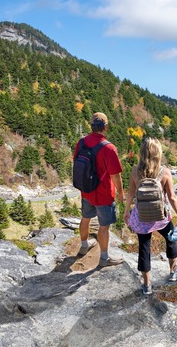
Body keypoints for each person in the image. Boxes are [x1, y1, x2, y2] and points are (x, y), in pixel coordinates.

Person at [123, 137, 177, 295]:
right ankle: (173, 273)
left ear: (142, 153)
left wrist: (126, 211)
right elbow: (172, 197)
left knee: (144, 249)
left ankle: (147, 285)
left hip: (141, 218)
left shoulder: (135, 171)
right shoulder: (164, 172)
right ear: (158, 153)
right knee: (170, 240)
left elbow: (130, 194)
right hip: (161, 217)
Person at [73, 112, 125, 267]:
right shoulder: (109, 148)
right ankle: (104, 258)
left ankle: (84, 246)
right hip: (103, 194)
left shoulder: (81, 142)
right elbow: (115, 175)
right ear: (106, 127)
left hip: (86, 190)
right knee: (104, 226)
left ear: (91, 126)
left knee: (85, 218)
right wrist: (121, 193)